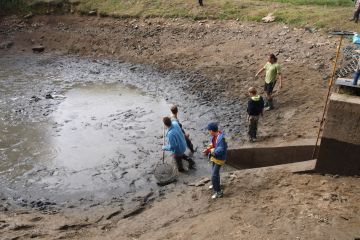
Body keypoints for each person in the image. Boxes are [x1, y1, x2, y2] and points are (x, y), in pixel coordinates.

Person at [203, 122, 227, 199]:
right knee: (214, 172)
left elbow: (220, 150)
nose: (209, 132)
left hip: (219, 159)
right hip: (214, 158)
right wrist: (207, 149)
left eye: (209, 131)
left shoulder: (221, 139)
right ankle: (216, 183)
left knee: (214, 175)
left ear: (212, 131)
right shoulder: (215, 136)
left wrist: (210, 151)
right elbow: (212, 144)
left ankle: (219, 192)